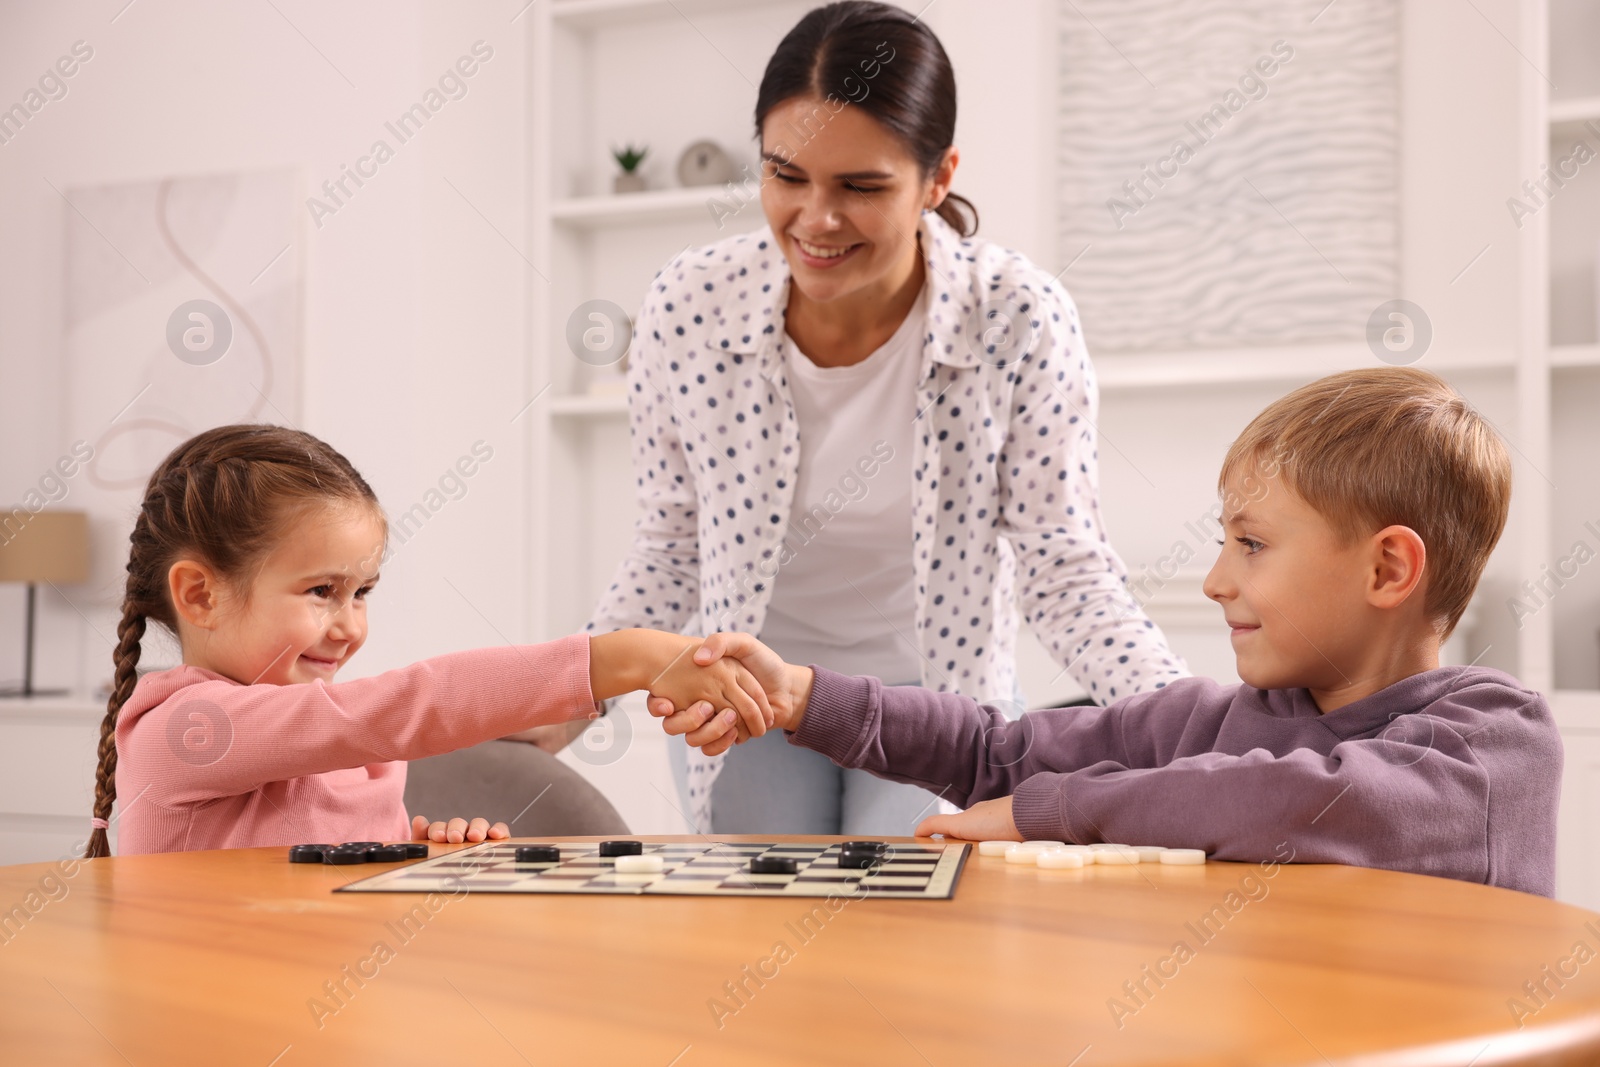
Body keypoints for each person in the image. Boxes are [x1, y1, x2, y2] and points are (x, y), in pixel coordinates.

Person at [537, 0, 1187, 837]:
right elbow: (672, 544)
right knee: (764, 940)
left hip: (933, 708)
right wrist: (562, 692)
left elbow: (1065, 568)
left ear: (939, 176)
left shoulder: (1018, 317)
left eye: (862, 187)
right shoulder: (690, 305)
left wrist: (1191, 727)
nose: (815, 220)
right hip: (748, 696)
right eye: (787, 175)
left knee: (904, 923)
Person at [654, 368, 1563, 896]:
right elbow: (997, 752)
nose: (1216, 580)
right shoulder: (1206, 722)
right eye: (1223, 543)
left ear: (1387, 570)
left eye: (1252, 545)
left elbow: (1306, 798)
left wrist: (1056, 813)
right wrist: (803, 697)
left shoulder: (1493, 742)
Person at [84, 424, 772, 858]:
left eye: (362, 593)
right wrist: (625, 658)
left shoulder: (330, 744)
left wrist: (412, 848)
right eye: (321, 591)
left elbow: (308, 869)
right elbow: (408, 704)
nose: (350, 625)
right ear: (201, 594)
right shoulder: (186, 728)